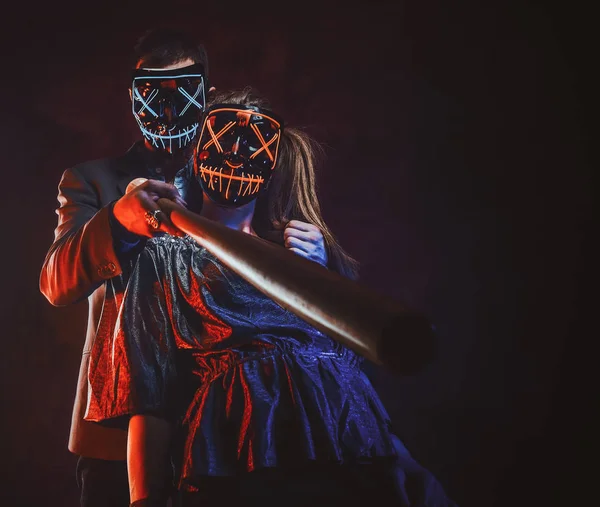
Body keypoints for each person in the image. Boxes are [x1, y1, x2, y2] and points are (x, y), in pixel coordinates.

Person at [85, 87, 457, 506]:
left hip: (353, 450)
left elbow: (349, 370)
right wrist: (145, 499)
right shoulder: (164, 255)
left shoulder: (303, 255)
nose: (237, 152)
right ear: (197, 148)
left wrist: (317, 276)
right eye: (225, 135)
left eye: (252, 143)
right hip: (240, 455)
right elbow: (146, 389)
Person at [39, 31, 329, 507]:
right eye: (155, 95)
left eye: (182, 94)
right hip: (122, 428)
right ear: (134, 97)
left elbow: (293, 270)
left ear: (208, 95)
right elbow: (56, 282)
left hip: (234, 430)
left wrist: (317, 266)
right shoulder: (91, 180)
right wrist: (117, 221)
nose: (169, 113)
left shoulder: (242, 162)